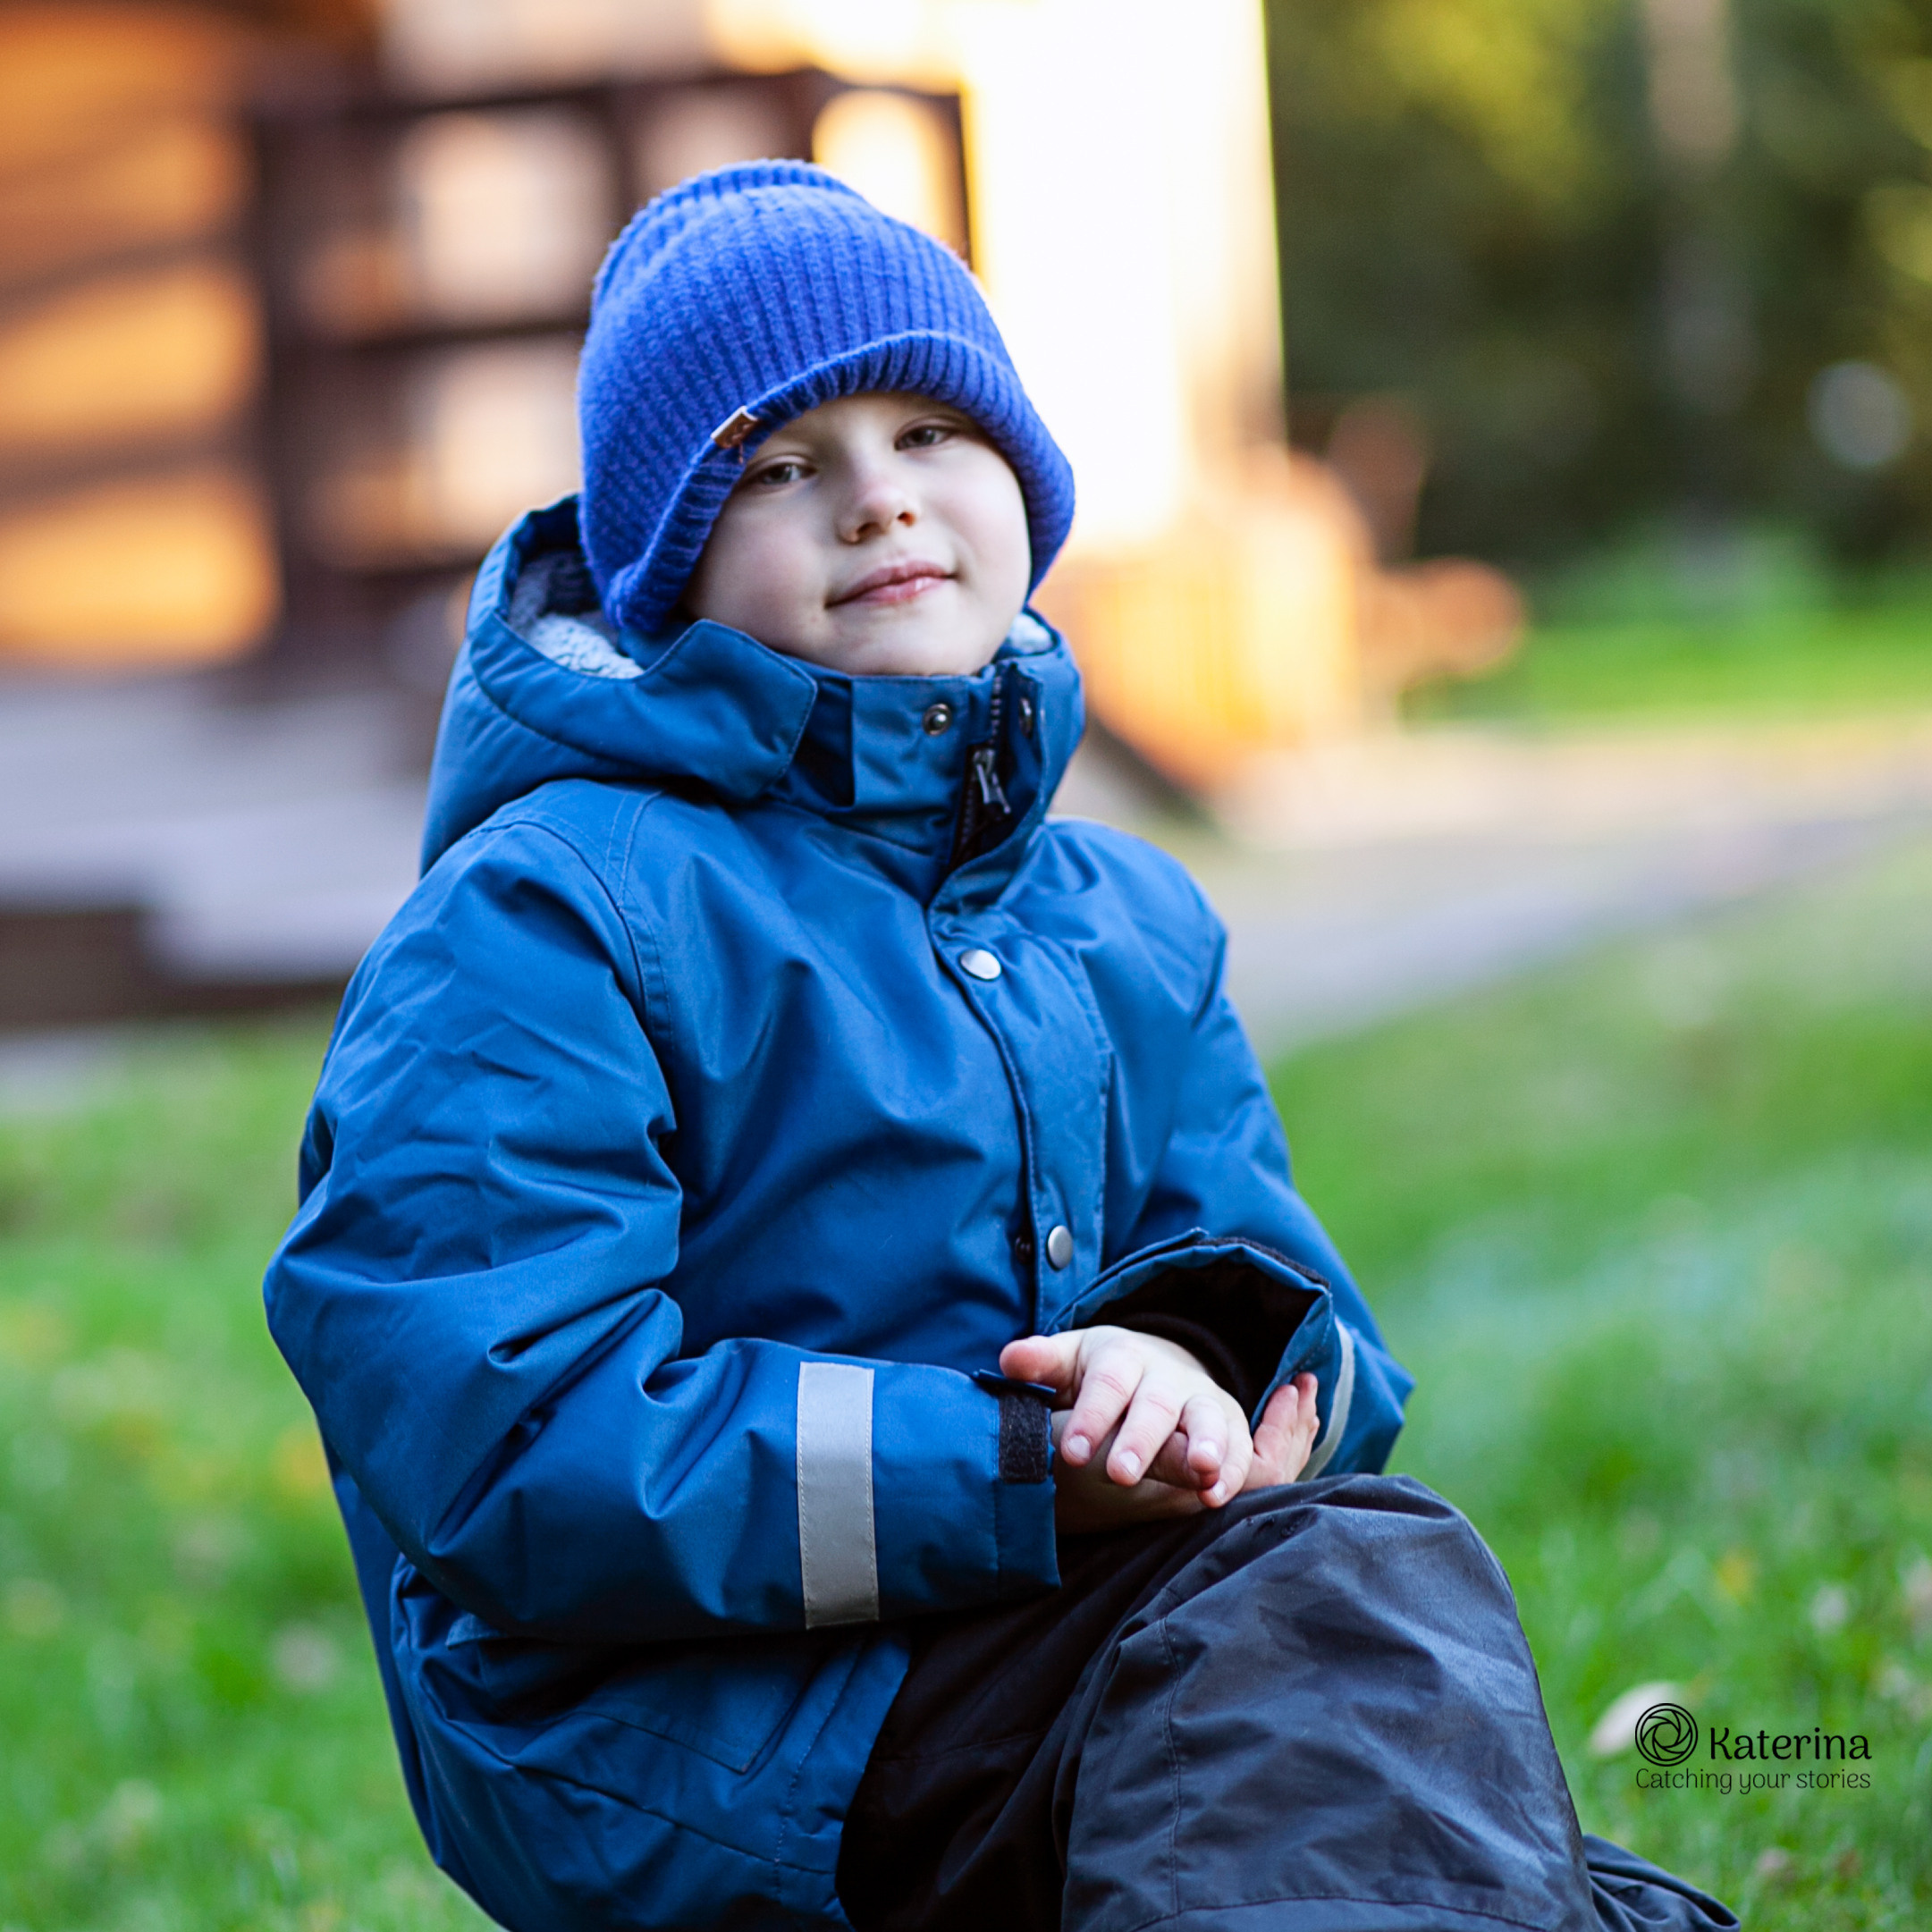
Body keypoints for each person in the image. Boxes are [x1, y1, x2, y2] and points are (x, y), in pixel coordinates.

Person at [264, 163, 1735, 1932]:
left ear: (1021, 481)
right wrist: (1020, 1471)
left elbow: (1306, 1320)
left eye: (931, 432)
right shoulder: (550, 914)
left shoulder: (1123, 915)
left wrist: (1188, 1378)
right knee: (1325, 1649)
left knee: (1363, 1641)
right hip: (678, 1707)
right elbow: (506, 1441)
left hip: (1048, 1608)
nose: (878, 501)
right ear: (668, 568)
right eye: (783, 466)